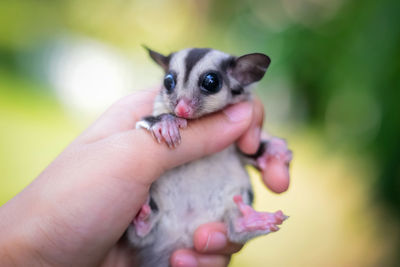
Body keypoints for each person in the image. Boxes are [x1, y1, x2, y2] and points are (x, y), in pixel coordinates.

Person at [0, 89, 290, 267]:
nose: (182, 106)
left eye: (209, 84)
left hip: (207, 207)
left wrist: (267, 150)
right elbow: (148, 122)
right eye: (172, 84)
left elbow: (247, 148)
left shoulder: (235, 118)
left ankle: (239, 220)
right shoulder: (158, 111)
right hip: (164, 223)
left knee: (236, 190)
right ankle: (144, 223)